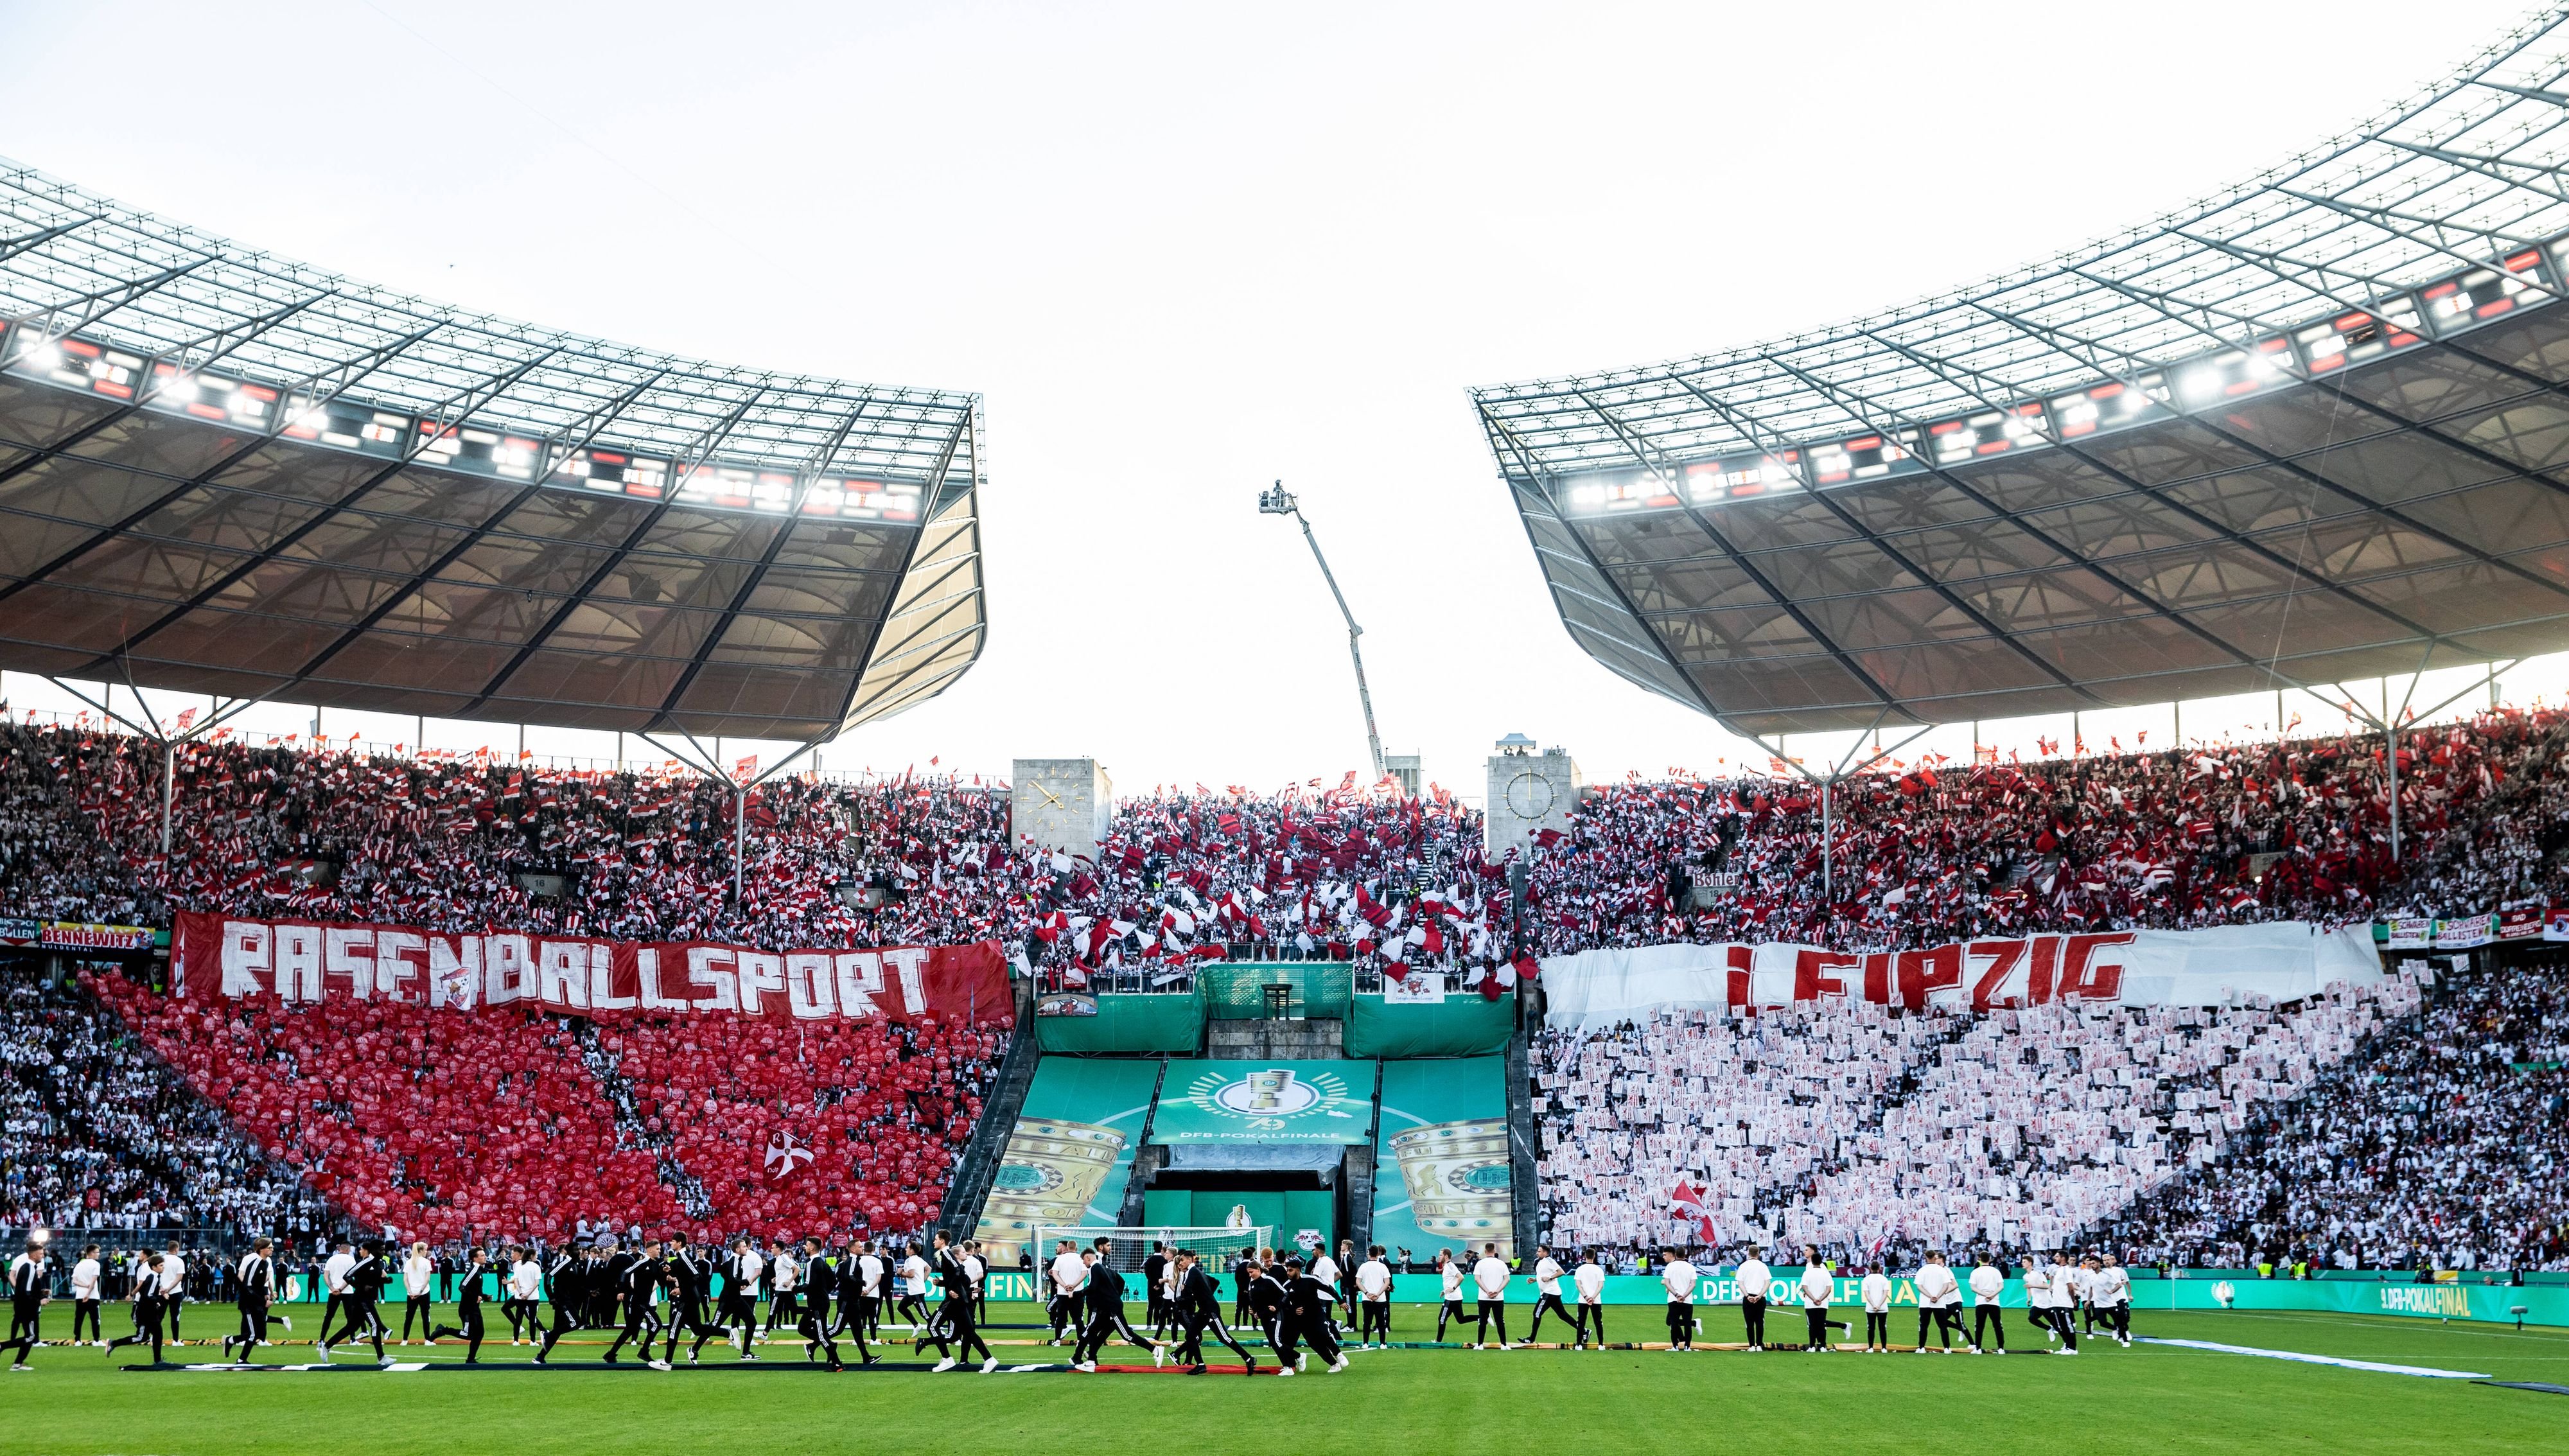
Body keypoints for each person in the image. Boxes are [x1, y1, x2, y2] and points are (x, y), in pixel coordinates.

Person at [1069, 1245, 1162, 1371]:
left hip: (1112, 1308)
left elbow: (1092, 1288)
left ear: (1088, 1258)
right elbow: (1117, 1283)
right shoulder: (1101, 1268)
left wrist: (1075, 1294)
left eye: (1084, 1261)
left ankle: (1155, 1350)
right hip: (1108, 1307)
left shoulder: (1095, 1268)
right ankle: (1091, 1359)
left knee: (1127, 1335)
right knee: (1093, 1330)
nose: (1084, 1264)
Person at [1168, 1249, 1257, 1376]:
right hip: (1205, 1310)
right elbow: (1212, 1283)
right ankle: (1200, 1365)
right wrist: (1202, 1294)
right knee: (1191, 1336)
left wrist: (1184, 1294)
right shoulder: (1196, 1272)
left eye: (1182, 1260)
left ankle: (1249, 1359)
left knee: (1224, 1338)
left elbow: (1187, 1291)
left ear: (1189, 1260)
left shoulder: (1192, 1272)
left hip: (1210, 1311)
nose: (1180, 1263)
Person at [923, 1232, 996, 1374]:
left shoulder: (946, 1254)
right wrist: (945, 1284)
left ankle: (947, 1359)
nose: (934, 1242)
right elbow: (961, 1274)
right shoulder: (947, 1256)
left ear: (942, 1241)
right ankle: (989, 1359)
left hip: (954, 1300)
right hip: (960, 1299)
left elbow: (959, 1272)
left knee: (932, 1326)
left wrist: (950, 1288)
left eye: (936, 1239)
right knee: (968, 1332)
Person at [1270, 1257, 1346, 1376]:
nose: (1288, 1273)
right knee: (1314, 1344)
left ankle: (1338, 1354)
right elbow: (1283, 1303)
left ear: (1298, 1270)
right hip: (1301, 1320)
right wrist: (1293, 1310)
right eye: (1287, 1271)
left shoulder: (1311, 1280)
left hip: (1317, 1314)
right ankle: (1334, 1364)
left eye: (1290, 1270)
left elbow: (1328, 1288)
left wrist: (1340, 1301)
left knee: (1323, 1333)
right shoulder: (1287, 1285)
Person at [604, 1238, 669, 1367]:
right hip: (639, 1302)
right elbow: (625, 1273)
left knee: (630, 1329)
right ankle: (644, 1351)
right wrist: (621, 1290)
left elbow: (660, 1281)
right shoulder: (642, 1262)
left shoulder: (655, 1264)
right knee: (657, 1324)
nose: (660, 1251)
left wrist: (665, 1273)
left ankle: (611, 1354)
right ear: (650, 1250)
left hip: (643, 1301)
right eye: (658, 1249)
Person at [425, 1247, 493, 1365]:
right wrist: (475, 1297)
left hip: (474, 1308)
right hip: (467, 1309)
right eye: (482, 1255)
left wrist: (485, 1296)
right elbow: (462, 1287)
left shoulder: (479, 1271)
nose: (485, 1257)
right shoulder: (473, 1271)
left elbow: (475, 1290)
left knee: (480, 1333)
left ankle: (471, 1359)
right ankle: (443, 1330)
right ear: (475, 1259)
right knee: (469, 1334)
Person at [102, 1252, 169, 1364]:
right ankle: (114, 1343)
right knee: (142, 1337)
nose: (163, 1268)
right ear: (154, 1267)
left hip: (148, 1310)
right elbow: (147, 1295)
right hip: (147, 1312)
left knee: (156, 1334)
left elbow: (144, 1291)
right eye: (161, 1266)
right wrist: (157, 1300)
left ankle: (158, 1360)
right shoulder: (153, 1278)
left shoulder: (153, 1277)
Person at [220, 1238, 278, 1364]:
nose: (272, 1249)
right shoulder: (255, 1263)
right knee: (252, 1334)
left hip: (256, 1302)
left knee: (255, 1333)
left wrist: (265, 1295)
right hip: (248, 1303)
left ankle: (239, 1355)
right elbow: (247, 1286)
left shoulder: (265, 1263)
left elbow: (258, 1285)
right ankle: (231, 1343)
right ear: (262, 1249)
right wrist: (263, 1302)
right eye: (270, 1247)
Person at [792, 1238, 841, 1371]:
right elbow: (833, 1281)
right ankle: (823, 1346)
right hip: (820, 1302)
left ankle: (837, 1363)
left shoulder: (811, 1263)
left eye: (807, 1245)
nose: (805, 1247)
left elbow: (809, 1284)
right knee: (803, 1328)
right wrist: (824, 1291)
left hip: (817, 1304)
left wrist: (794, 1288)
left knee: (821, 1335)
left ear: (812, 1248)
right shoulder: (822, 1263)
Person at [6, 1236, 48, 1371]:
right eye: (41, 1254)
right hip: (28, 1308)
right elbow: (26, 1291)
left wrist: (41, 1291)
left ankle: (18, 1364)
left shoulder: (26, 1267)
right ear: (34, 1254)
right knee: (30, 1337)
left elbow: (25, 1288)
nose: (43, 1256)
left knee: (30, 1336)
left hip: (22, 1306)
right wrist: (39, 1300)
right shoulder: (30, 1268)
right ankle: (4, 1348)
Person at [1912, 1252, 1963, 1354]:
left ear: (1926, 1257)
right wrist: (1938, 1296)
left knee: (1924, 1326)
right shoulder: (1942, 1270)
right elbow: (1946, 1285)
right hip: (1940, 1303)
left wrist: (1930, 1296)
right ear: (1935, 1257)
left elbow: (1919, 1287)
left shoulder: (1922, 1270)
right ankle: (1947, 1348)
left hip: (1925, 1302)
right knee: (1943, 1326)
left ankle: (1922, 1347)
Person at [1525, 1245, 1576, 1344]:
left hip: (1550, 1292)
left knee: (1537, 1313)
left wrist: (1550, 1278)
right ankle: (1584, 1331)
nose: (1537, 1253)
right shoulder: (1540, 1262)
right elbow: (1543, 1275)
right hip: (1552, 1293)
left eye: (1539, 1251)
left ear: (1545, 1253)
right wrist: (1535, 1280)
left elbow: (1561, 1272)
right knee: (1563, 1315)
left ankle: (1531, 1339)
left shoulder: (1549, 1261)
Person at [315, 1238, 357, 1350]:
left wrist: (333, 1288)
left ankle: (321, 1340)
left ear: (340, 1249)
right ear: (348, 1249)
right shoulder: (351, 1260)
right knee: (350, 1317)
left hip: (333, 1292)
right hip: (347, 1291)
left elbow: (326, 1276)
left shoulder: (331, 1259)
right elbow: (351, 1277)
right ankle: (353, 1339)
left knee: (329, 1316)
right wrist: (341, 1289)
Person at [1471, 1243, 1512, 1350]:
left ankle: (1480, 1345)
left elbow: (1477, 1279)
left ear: (1485, 1251)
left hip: (1484, 1297)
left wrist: (1487, 1291)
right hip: (1498, 1298)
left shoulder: (1480, 1263)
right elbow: (1507, 1279)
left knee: (1483, 1321)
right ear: (1494, 1251)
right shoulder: (1501, 1263)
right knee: (1500, 1321)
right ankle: (1504, 1345)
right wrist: (1497, 1291)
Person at [1046, 1238, 1086, 1346]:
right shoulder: (1080, 1259)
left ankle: (1058, 1340)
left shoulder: (1060, 1259)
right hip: (1077, 1292)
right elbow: (1084, 1274)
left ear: (1067, 1248)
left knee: (1061, 1317)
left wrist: (1064, 1285)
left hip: (1062, 1292)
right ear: (1076, 1248)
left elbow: (1055, 1274)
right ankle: (1080, 1340)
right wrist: (1073, 1286)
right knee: (1078, 1318)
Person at [1659, 1247, 1698, 1351]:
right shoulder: (1690, 1267)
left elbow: (1666, 1282)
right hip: (1687, 1299)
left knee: (1674, 1322)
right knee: (1687, 1323)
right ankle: (1687, 1347)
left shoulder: (1670, 1266)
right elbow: (1693, 1284)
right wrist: (1684, 1296)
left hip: (1673, 1299)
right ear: (1685, 1255)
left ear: (1676, 1254)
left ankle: (1675, 1346)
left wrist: (1676, 1295)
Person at [1354, 1245, 1392, 1349]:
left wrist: (1367, 1293)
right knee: (1381, 1321)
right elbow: (1387, 1282)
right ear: (1378, 1254)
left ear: (1369, 1254)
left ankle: (1365, 1343)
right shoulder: (1382, 1266)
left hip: (1367, 1298)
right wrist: (1379, 1294)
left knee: (1367, 1321)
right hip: (1380, 1298)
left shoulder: (1364, 1266)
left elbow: (1358, 1282)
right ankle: (1382, 1343)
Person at [505, 1247, 545, 1346]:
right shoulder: (536, 1266)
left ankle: (516, 1341)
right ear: (532, 1256)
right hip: (533, 1296)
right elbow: (536, 1283)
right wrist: (528, 1293)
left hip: (520, 1296)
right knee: (532, 1319)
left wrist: (521, 1293)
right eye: (535, 1255)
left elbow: (516, 1281)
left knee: (518, 1318)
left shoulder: (519, 1266)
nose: (536, 1257)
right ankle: (533, 1341)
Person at [1735, 1245, 1772, 1351]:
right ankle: (1759, 1345)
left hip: (1748, 1297)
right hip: (1760, 1297)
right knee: (1760, 1321)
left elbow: (1740, 1283)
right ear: (1758, 1253)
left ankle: (1751, 1345)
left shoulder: (1743, 1266)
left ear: (1748, 1253)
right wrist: (1760, 1295)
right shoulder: (1763, 1266)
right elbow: (1768, 1282)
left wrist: (1747, 1295)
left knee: (1749, 1322)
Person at [1797, 1258, 1838, 1352]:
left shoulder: (1807, 1273)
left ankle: (1812, 1346)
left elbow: (1805, 1288)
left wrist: (1813, 1299)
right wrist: (1821, 1299)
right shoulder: (1826, 1273)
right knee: (1821, 1324)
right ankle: (1823, 1346)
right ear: (1821, 1262)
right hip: (1823, 1303)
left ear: (1812, 1262)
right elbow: (1829, 1289)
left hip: (1810, 1303)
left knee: (1812, 1325)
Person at [399, 1241, 436, 1346]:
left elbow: (405, 1279)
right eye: (425, 1249)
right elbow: (427, 1279)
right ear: (420, 1250)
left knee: (409, 1317)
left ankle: (405, 1340)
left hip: (412, 1294)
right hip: (423, 1293)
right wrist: (420, 1292)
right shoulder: (426, 1262)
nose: (426, 1251)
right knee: (425, 1316)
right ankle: (427, 1340)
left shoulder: (409, 1262)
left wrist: (410, 1292)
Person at [1968, 1254, 2005, 1354]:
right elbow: (2001, 1286)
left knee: (1979, 1326)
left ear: (1979, 1259)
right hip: (1994, 1301)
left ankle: (1978, 1348)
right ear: (1990, 1259)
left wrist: (1985, 1295)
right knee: (1997, 1325)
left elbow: (1973, 1288)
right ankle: (2001, 1348)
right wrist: (1992, 1295)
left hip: (1981, 1301)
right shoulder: (1996, 1271)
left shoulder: (1975, 1272)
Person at [1572, 1250, 1608, 1349]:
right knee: (1598, 1322)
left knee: (1581, 1322)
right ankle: (1601, 1344)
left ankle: (1579, 1344)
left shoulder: (1580, 1269)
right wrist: (1593, 1297)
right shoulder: (1599, 1270)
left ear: (1585, 1256)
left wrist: (1586, 1297)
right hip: (1596, 1300)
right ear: (1594, 1256)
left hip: (1583, 1300)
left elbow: (1578, 1285)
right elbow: (1601, 1286)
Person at [68, 1245, 101, 1348]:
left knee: (79, 1319)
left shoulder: (79, 1265)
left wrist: (85, 1286)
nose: (98, 1254)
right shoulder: (96, 1264)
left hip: (80, 1296)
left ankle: (78, 1340)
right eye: (97, 1252)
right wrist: (88, 1293)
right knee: (95, 1319)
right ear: (91, 1253)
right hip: (92, 1296)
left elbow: (74, 1281)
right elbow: (93, 1280)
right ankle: (96, 1340)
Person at [2095, 1254, 2133, 1347]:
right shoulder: (2102, 1272)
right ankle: (2119, 1331)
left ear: (2113, 1261)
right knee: (2116, 1317)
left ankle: (2124, 1329)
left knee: (2126, 1317)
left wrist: (2130, 1294)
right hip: (2110, 1298)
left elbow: (2127, 1282)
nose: (2107, 1262)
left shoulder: (2120, 1271)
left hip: (2121, 1296)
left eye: (2108, 1260)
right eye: (2105, 1260)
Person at [1433, 1249, 1469, 1343]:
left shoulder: (1450, 1266)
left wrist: (1453, 1288)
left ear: (1446, 1256)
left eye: (1441, 1255)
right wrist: (1445, 1291)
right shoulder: (1447, 1266)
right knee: (1461, 1320)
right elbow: (1450, 1281)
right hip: (1453, 1297)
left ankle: (1438, 1341)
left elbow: (1461, 1277)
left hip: (1452, 1299)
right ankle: (1482, 1317)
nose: (1439, 1257)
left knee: (1442, 1319)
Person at [895, 1243, 932, 1333]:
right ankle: (916, 1325)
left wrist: (901, 1272)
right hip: (913, 1292)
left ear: (912, 1250)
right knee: (901, 1308)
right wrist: (922, 1280)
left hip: (916, 1292)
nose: (905, 1249)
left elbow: (911, 1274)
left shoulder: (910, 1261)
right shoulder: (919, 1260)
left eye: (907, 1248)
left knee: (924, 1313)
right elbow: (929, 1269)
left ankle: (936, 1328)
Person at [1141, 1242, 1171, 1340]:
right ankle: (1156, 1323)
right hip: (1162, 1285)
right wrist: (1159, 1284)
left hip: (1151, 1286)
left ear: (1153, 1248)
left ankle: (1149, 1324)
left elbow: (1147, 1273)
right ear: (1161, 1248)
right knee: (1160, 1305)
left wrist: (1153, 1284)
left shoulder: (1149, 1260)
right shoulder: (1164, 1261)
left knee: (1151, 1305)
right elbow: (1165, 1274)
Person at [1859, 1265, 1892, 1352]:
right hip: (1883, 1307)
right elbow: (1885, 1294)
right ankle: (1884, 1348)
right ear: (1879, 1268)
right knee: (1883, 1327)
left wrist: (1873, 1305)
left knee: (1871, 1327)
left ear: (1870, 1268)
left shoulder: (1866, 1279)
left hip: (1870, 1307)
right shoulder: (1884, 1279)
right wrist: (1879, 1305)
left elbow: (1867, 1294)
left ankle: (1870, 1348)